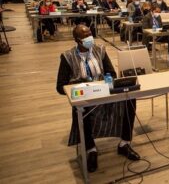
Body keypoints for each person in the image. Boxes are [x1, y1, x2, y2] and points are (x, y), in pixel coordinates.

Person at [56, 25, 140, 173]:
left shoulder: (100, 50)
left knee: (130, 99)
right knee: (82, 109)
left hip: (103, 91)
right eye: (86, 36)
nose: (90, 38)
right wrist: (78, 86)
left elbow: (112, 73)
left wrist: (107, 81)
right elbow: (60, 86)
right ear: (77, 40)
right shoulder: (67, 57)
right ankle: (91, 150)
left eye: (90, 34)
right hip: (84, 95)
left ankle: (124, 144)